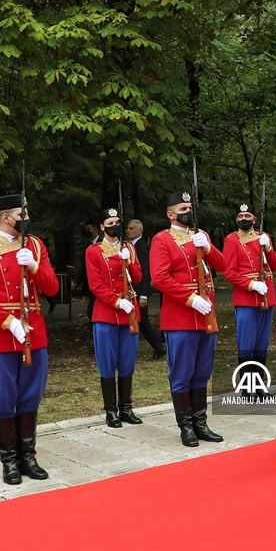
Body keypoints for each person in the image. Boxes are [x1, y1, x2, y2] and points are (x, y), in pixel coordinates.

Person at [0, 195, 59, 484]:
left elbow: (52, 288)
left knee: (31, 396)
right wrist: (8, 322)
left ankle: (28, 455)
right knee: (4, 399)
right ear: (6, 217)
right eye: (23, 212)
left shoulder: (35, 245)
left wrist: (34, 266)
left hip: (33, 332)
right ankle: (9, 460)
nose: (27, 216)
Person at [150, 191, 226, 447]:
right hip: (182, 315)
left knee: (202, 371)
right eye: (183, 208)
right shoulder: (162, 240)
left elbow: (223, 265)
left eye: (190, 206)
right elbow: (160, 278)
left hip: (206, 316)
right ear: (171, 214)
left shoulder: (200, 233)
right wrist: (190, 298)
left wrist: (207, 246)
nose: (188, 211)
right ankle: (186, 427)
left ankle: (201, 422)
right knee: (182, 372)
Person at [88, 209, 143, 427]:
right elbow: (95, 285)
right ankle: (111, 410)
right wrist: (116, 301)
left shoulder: (128, 247)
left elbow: (138, 277)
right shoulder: (93, 251)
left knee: (127, 361)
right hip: (107, 313)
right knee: (108, 363)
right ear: (102, 227)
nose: (114, 226)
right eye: (109, 222)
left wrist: (129, 262)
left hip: (130, 312)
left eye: (117, 222)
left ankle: (126, 408)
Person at [223, 202, 276, 389]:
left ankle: (259, 386)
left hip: (266, 297)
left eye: (247, 216)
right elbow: (229, 273)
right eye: (240, 216)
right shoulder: (232, 240)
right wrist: (251, 284)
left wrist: (269, 248)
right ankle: (247, 388)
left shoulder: (264, 237)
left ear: (254, 219)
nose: (244, 219)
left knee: (262, 344)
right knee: (247, 343)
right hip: (246, 299)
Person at [126, 219, 166, 360]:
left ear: (139, 231)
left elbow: (146, 271)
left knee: (143, 320)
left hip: (139, 290)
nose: (128, 231)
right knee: (141, 320)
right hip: (133, 289)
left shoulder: (142, 247)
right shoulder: (131, 246)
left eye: (131, 228)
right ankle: (158, 347)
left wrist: (144, 294)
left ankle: (159, 347)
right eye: (128, 228)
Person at [72, 220, 100, 320]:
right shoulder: (88, 244)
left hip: (100, 282)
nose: (87, 231)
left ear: (96, 229)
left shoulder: (102, 243)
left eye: (89, 229)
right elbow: (85, 265)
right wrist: (77, 282)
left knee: (91, 310)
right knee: (92, 310)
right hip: (90, 283)